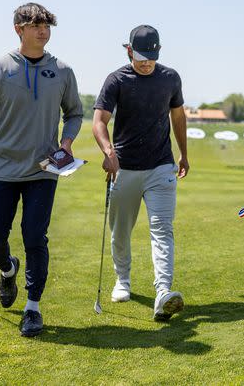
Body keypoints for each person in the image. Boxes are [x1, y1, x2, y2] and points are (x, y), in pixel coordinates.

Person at [0, 2, 83, 337]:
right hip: (2, 168)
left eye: (47, 26)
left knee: (34, 236)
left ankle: (33, 307)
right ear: (19, 29)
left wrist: (67, 143)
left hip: (45, 169)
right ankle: (7, 269)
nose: (43, 31)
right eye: (35, 26)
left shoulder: (62, 71)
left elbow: (74, 112)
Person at [92, 25, 189, 322]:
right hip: (125, 168)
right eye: (141, 56)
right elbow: (99, 121)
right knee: (120, 231)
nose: (146, 62)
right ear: (129, 50)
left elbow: (178, 115)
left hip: (161, 165)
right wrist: (109, 153)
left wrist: (184, 153)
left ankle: (163, 292)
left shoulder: (170, 77)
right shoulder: (117, 80)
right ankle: (123, 280)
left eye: (152, 57)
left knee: (162, 229)